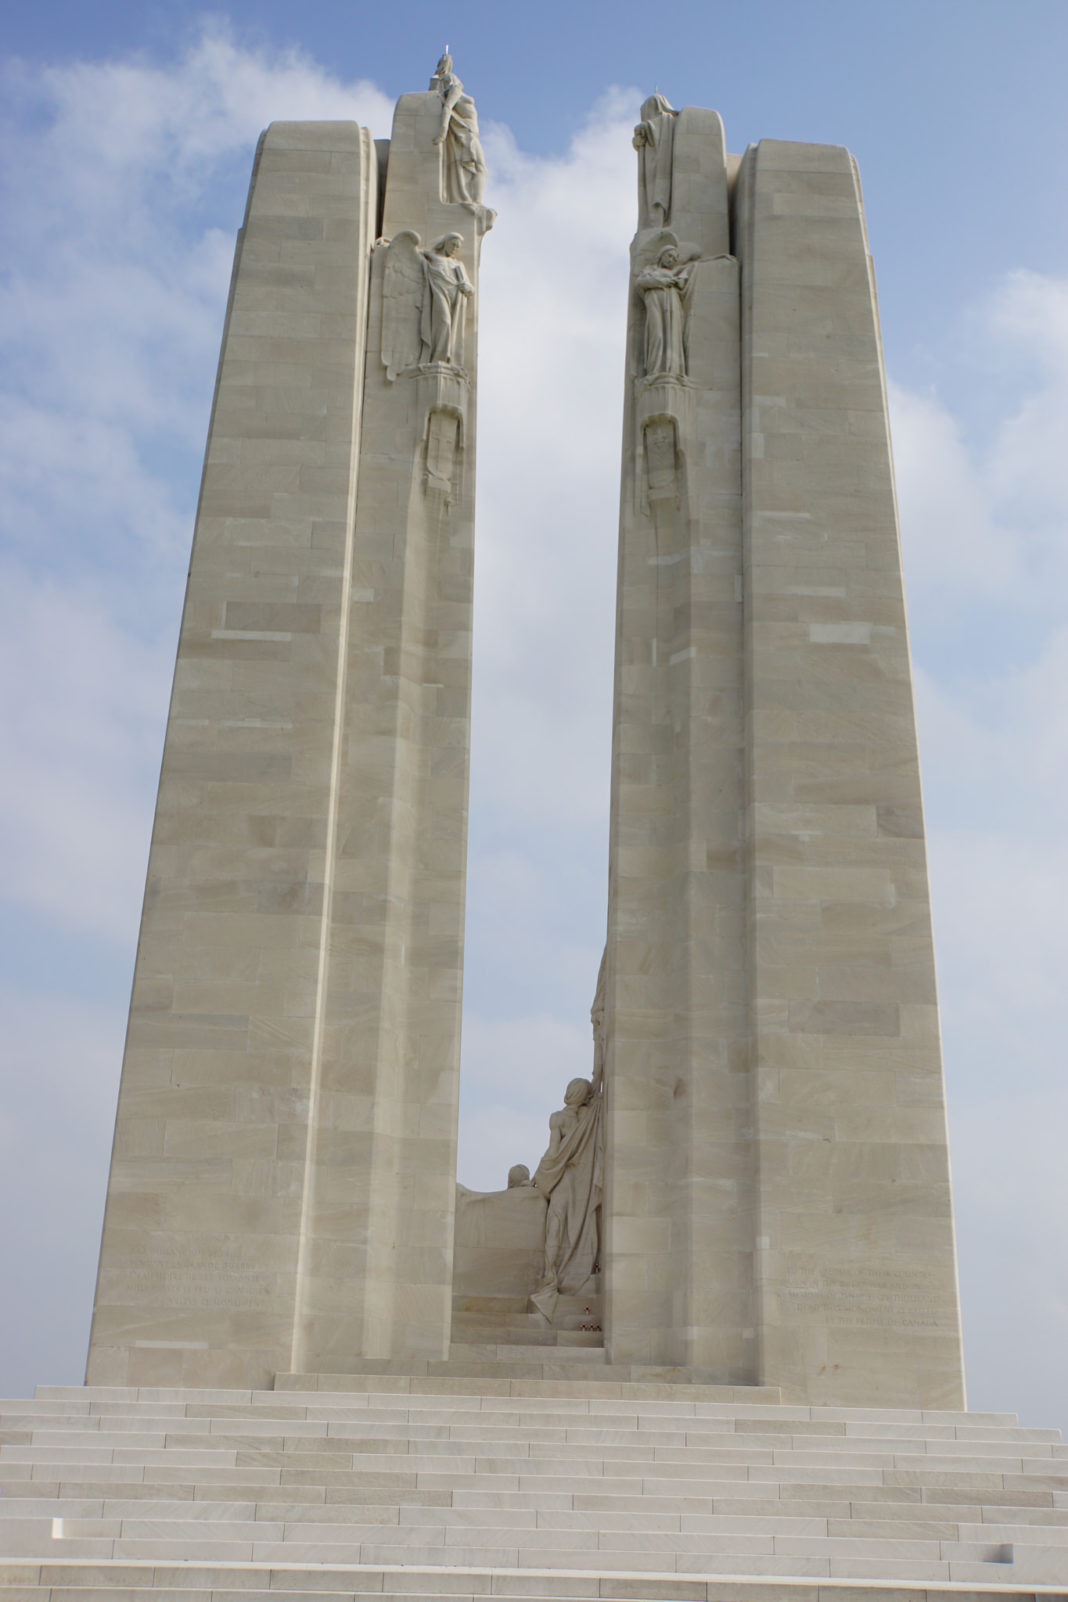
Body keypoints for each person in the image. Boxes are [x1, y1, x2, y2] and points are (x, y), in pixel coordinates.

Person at [530, 1072, 604, 1322]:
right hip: (580, 1181)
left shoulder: (559, 1118)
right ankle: (554, 1276)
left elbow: (553, 1152)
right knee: (570, 1227)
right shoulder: (590, 1117)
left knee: (556, 1224)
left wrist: (540, 1176)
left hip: (564, 1180)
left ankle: (551, 1276)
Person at [431, 53, 488, 208]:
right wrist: (442, 132)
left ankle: (474, 200)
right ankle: (475, 202)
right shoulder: (455, 90)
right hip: (467, 134)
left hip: (469, 133)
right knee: (479, 168)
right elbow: (448, 108)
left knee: (477, 168)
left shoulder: (457, 92)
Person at [636, 244, 693, 378]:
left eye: (674, 258)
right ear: (661, 256)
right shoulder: (650, 270)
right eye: (669, 256)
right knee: (658, 336)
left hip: (672, 304)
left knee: (672, 337)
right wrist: (664, 282)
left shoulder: (676, 273)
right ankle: (654, 371)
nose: (671, 260)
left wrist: (676, 282)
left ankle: (672, 370)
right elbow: (641, 282)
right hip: (655, 303)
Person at [420, 233, 473, 366]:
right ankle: (437, 358)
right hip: (439, 293)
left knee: (449, 324)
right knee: (445, 322)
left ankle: (445, 359)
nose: (455, 248)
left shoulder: (458, 265)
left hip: (454, 298)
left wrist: (465, 286)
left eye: (458, 247)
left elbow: (470, 288)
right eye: (453, 244)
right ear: (445, 243)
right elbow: (417, 252)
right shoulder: (433, 257)